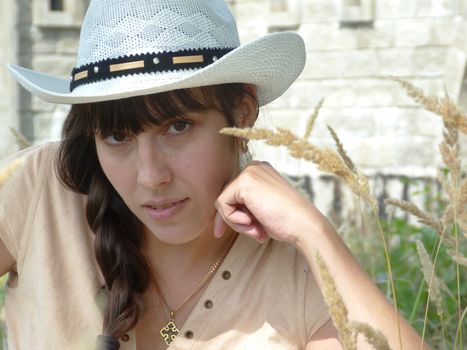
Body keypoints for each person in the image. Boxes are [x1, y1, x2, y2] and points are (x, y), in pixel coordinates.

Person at [0, 0, 429, 349]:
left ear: (241, 113)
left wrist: (316, 234)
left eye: (178, 126)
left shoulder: (295, 272)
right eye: (116, 136)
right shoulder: (42, 191)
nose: (151, 176)